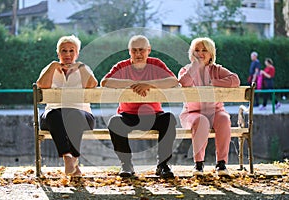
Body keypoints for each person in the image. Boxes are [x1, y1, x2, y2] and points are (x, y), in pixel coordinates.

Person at [100, 35, 178, 178]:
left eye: (141, 50)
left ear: (149, 50)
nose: (138, 54)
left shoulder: (156, 64)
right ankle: (126, 165)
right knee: (114, 122)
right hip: (128, 115)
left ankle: (163, 165)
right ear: (129, 51)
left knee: (169, 118)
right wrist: (130, 83)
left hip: (154, 114)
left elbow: (173, 80)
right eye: (134, 50)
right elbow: (105, 82)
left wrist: (149, 84)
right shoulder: (122, 66)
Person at [36, 35, 98, 176]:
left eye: (72, 51)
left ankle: (72, 158)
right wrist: (53, 66)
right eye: (64, 51)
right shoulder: (50, 68)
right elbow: (42, 85)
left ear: (77, 53)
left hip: (81, 115)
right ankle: (68, 157)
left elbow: (92, 85)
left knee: (73, 114)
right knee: (55, 114)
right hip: (53, 117)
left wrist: (80, 68)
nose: (68, 54)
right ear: (58, 53)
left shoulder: (83, 68)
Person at [178, 37, 240, 176]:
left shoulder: (217, 70)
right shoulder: (185, 70)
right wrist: (195, 67)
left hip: (216, 111)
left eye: (204, 50)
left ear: (211, 53)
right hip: (192, 113)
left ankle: (221, 164)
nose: (200, 53)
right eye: (196, 50)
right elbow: (184, 83)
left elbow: (235, 80)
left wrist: (213, 82)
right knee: (202, 121)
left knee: (224, 119)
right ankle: (198, 165)